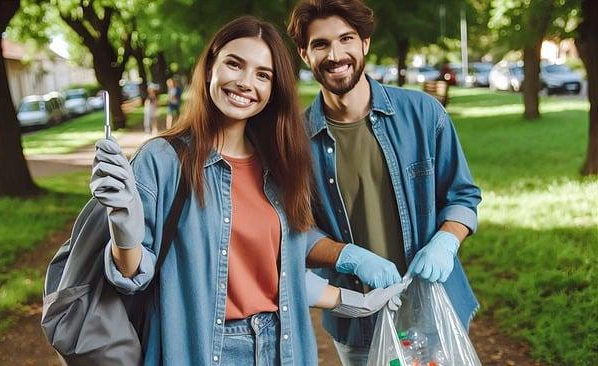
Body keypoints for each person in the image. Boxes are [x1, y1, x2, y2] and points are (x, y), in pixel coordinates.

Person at [90, 16, 403, 365]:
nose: (245, 83)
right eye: (234, 64)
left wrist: (351, 286)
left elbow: (282, 258)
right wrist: (123, 227)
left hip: (283, 344)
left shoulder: (279, 161)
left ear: (273, 91)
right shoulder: (163, 160)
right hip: (206, 349)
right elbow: (132, 277)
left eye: (262, 74)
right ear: (210, 67)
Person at [287, 0, 482, 365]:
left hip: (438, 314)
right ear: (303, 54)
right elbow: (293, 232)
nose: (335, 54)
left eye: (346, 39)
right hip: (359, 325)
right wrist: (348, 257)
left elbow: (463, 196)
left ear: (364, 43)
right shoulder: (294, 142)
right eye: (320, 44)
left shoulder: (424, 114)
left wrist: (445, 241)